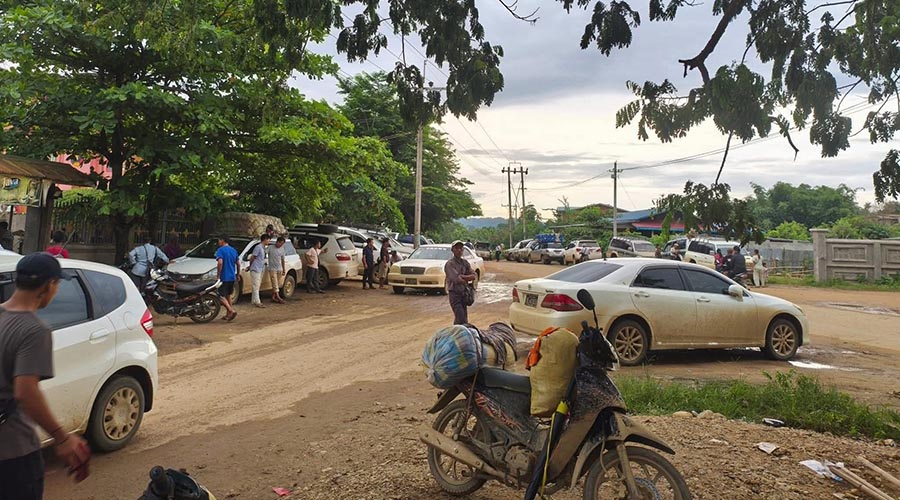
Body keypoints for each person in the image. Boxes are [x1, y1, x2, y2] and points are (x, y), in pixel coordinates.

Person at [0, 253, 92, 498]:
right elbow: (26, 392)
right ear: (48, 285)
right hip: (14, 452)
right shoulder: (34, 330)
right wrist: (61, 438)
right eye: (57, 284)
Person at [445, 240, 477, 325]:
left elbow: (474, 275)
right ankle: (456, 335)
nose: (459, 250)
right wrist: (466, 277)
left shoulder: (465, 263)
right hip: (455, 294)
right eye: (456, 248)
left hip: (464, 293)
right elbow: (456, 279)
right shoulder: (449, 264)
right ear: (452, 250)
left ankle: (456, 335)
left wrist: (462, 276)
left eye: (460, 248)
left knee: (463, 319)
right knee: (461, 318)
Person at [215, 236, 239, 321]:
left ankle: (231, 310)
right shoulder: (233, 250)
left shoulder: (220, 250)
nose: (218, 242)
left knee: (220, 295)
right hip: (232, 277)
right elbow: (238, 263)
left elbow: (220, 263)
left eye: (219, 240)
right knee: (228, 295)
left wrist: (218, 275)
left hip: (224, 277)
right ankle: (228, 314)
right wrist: (238, 274)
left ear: (222, 240)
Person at [248, 234, 269, 308]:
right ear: (265, 239)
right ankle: (257, 301)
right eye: (268, 239)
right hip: (256, 268)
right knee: (256, 285)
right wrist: (250, 266)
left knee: (257, 285)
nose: (269, 241)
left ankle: (254, 300)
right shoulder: (258, 247)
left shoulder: (263, 248)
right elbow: (253, 257)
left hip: (260, 268)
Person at [267, 237, 287, 304]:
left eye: (282, 244)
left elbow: (282, 260)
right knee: (274, 283)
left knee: (276, 284)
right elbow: (264, 253)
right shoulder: (270, 248)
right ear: (277, 242)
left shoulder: (282, 249)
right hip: (272, 269)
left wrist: (284, 269)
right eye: (280, 243)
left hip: (279, 269)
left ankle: (273, 296)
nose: (281, 245)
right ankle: (278, 297)